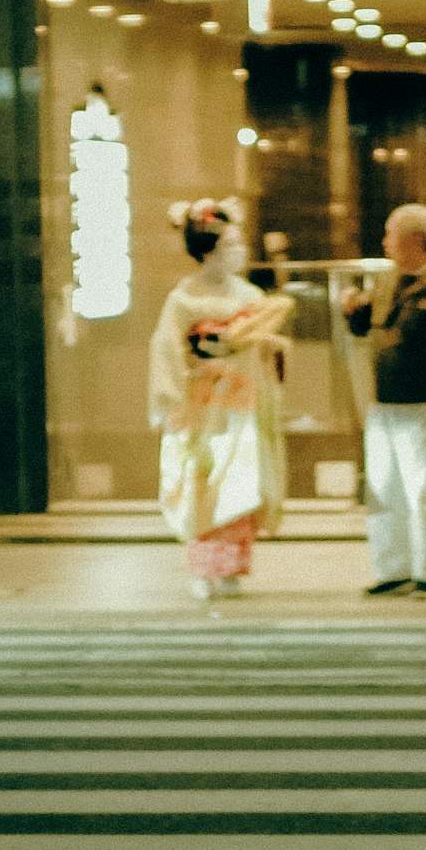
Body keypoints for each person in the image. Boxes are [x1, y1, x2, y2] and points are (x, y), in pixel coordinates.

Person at [335, 199, 426, 597]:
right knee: (383, 490)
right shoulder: (386, 282)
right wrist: (352, 311)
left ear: (416, 241)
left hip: (425, 406)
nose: (385, 243)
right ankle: (392, 569)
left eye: (391, 235)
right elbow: (365, 329)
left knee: (422, 492)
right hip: (383, 405)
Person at [146, 199, 293, 598]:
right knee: (203, 482)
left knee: (240, 484)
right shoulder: (183, 299)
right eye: (229, 245)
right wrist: (169, 400)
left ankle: (230, 569)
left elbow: (264, 347)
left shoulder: (249, 294)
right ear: (207, 250)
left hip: (241, 406)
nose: (239, 252)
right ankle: (203, 569)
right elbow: (166, 351)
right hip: (201, 407)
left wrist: (268, 346)